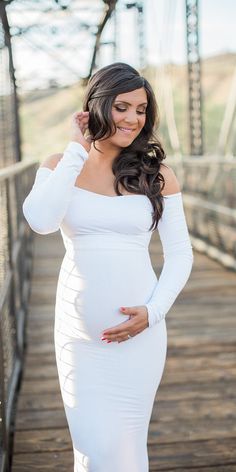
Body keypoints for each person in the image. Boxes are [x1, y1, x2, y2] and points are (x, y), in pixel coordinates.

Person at [22, 62, 194, 472]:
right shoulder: (60, 163)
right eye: (122, 106)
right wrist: (75, 150)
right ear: (97, 106)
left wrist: (154, 312)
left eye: (141, 110)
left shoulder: (158, 175)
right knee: (95, 449)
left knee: (126, 445)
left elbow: (181, 253)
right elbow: (42, 221)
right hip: (78, 338)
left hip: (141, 336)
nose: (133, 119)